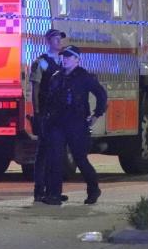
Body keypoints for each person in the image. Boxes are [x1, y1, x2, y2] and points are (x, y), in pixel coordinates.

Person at [41, 45, 107, 205]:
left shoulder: (84, 77)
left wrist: (96, 115)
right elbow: (48, 99)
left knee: (80, 159)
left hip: (77, 124)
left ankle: (93, 189)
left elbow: (101, 94)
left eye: (69, 57)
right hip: (57, 123)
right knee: (55, 159)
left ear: (77, 59)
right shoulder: (57, 76)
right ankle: (54, 195)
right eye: (64, 56)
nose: (65, 59)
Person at [29, 29, 67, 203]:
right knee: (43, 152)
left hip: (59, 112)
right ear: (48, 41)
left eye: (60, 39)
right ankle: (39, 190)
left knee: (56, 152)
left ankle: (53, 190)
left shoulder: (63, 61)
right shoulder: (42, 62)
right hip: (45, 112)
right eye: (56, 39)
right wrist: (37, 113)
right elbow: (35, 88)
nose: (59, 42)